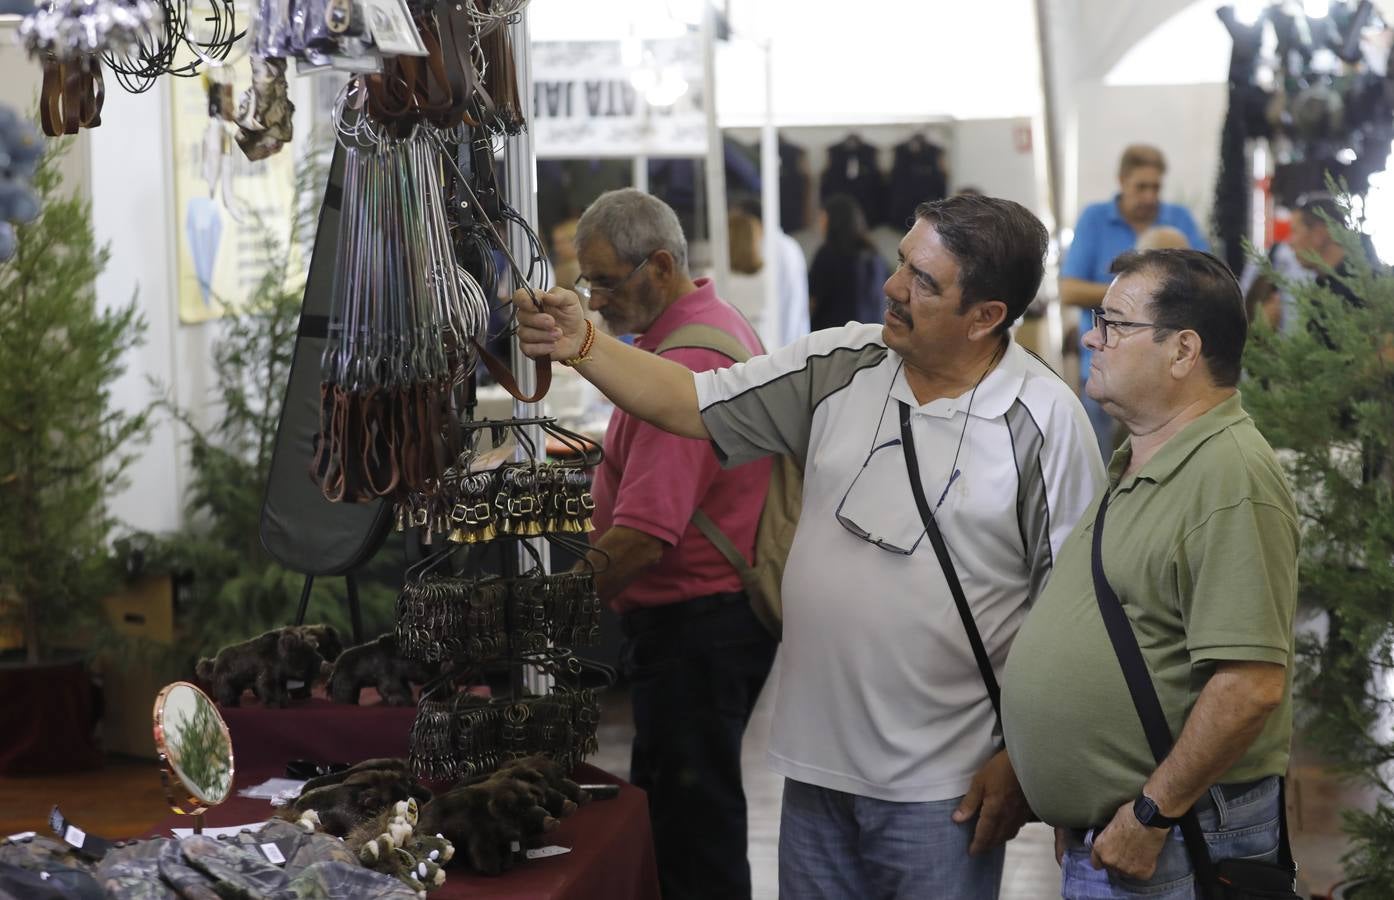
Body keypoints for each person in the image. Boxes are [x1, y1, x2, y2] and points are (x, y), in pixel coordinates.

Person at [512, 194, 1106, 899]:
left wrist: (1019, 761)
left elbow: (1076, 617)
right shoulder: (842, 361)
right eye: (901, 264)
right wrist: (583, 344)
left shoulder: (1044, 420)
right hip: (815, 771)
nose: (892, 287)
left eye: (924, 280)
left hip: (943, 788)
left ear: (986, 317)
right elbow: (689, 401)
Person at [1002, 249, 1299, 899]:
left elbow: (1250, 686)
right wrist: (1077, 801)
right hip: (1118, 834)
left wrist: (1149, 813)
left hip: (1173, 839)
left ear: (1183, 350)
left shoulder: (1229, 477)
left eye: (1113, 323)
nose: (1091, 337)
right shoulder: (1144, 456)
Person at [568, 189, 777, 900]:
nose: (593, 300)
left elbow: (644, 535)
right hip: (706, 627)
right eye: (586, 280)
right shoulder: (709, 322)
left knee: (694, 837)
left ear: (659, 266)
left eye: (603, 280)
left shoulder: (685, 362)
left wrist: (550, 610)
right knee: (677, 817)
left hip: (696, 631)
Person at [1060, 145, 1208, 456]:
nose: (1149, 196)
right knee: (1098, 470)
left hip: (1167, 372)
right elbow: (1069, 290)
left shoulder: (1178, 220)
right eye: (1141, 187)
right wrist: (1138, 296)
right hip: (1104, 367)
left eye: (1155, 187)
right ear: (1122, 181)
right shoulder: (1094, 219)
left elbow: (1207, 283)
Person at [808, 193, 888, 331]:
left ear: (833, 221)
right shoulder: (874, 254)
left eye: (823, 218)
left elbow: (812, 301)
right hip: (871, 336)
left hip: (835, 339)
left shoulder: (827, 254)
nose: (820, 224)